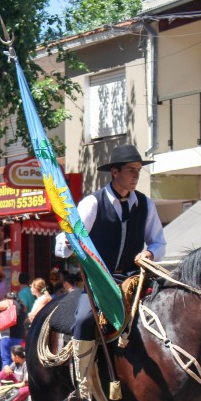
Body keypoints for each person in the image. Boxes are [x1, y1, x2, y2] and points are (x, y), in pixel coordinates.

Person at [54, 144, 166, 386]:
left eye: (138, 170)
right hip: (99, 283)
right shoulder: (92, 203)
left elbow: (158, 242)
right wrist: (68, 242)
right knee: (85, 319)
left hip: (134, 280)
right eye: (130, 170)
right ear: (114, 172)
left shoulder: (146, 205)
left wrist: (150, 253)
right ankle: (81, 385)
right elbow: (63, 243)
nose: (136, 175)